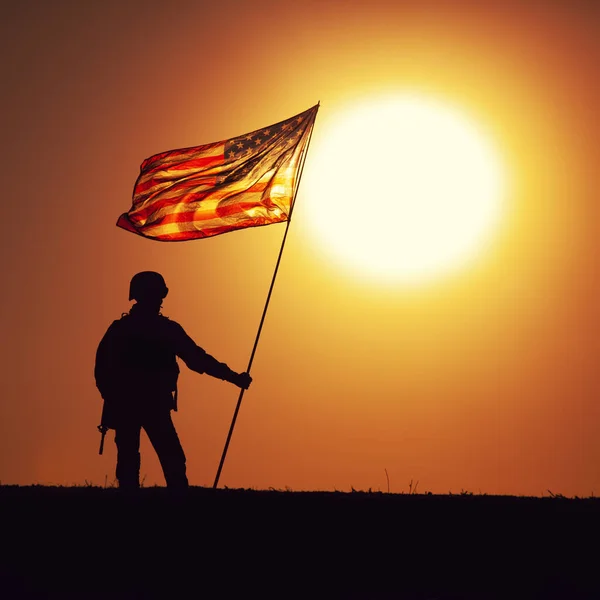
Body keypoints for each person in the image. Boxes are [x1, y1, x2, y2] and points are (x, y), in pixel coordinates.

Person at [94, 271, 251, 491]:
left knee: (165, 459)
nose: (158, 300)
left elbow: (198, 359)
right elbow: (103, 370)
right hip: (139, 404)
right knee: (152, 459)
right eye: (156, 294)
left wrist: (233, 377)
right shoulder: (152, 330)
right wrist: (233, 377)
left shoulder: (129, 329)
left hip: (144, 404)